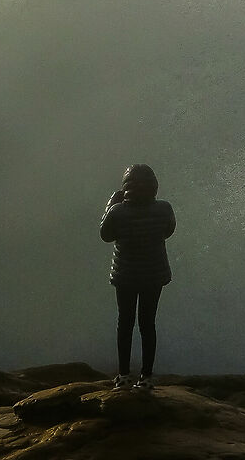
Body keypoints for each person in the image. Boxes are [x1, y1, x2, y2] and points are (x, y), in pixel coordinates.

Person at [99, 163, 175, 390]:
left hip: (126, 275)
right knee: (147, 323)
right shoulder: (164, 209)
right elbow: (169, 231)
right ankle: (147, 377)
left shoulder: (118, 211)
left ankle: (123, 376)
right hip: (154, 274)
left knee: (125, 323)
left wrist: (111, 203)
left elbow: (105, 235)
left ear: (126, 187)